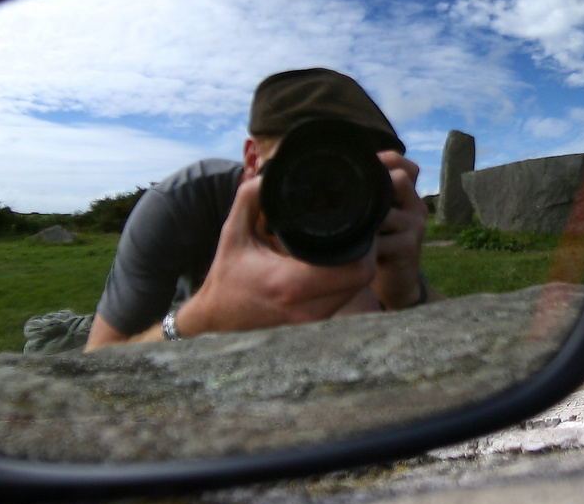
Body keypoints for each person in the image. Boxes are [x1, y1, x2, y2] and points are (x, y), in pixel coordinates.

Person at [84, 68, 438, 351]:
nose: (328, 195)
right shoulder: (184, 202)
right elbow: (99, 358)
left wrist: (407, 295)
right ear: (252, 160)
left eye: (353, 172)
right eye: (304, 166)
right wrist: (200, 320)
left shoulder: (377, 212)